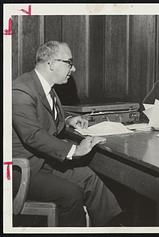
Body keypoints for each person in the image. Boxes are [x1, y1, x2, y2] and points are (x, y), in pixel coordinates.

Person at [12, 41, 122, 226]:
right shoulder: (21, 90)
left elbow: (43, 116)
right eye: (69, 62)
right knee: (72, 195)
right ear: (52, 63)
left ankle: (112, 227)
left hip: (44, 161)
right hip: (22, 170)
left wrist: (68, 120)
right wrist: (75, 150)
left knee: (90, 178)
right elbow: (33, 135)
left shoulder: (47, 87)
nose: (74, 68)